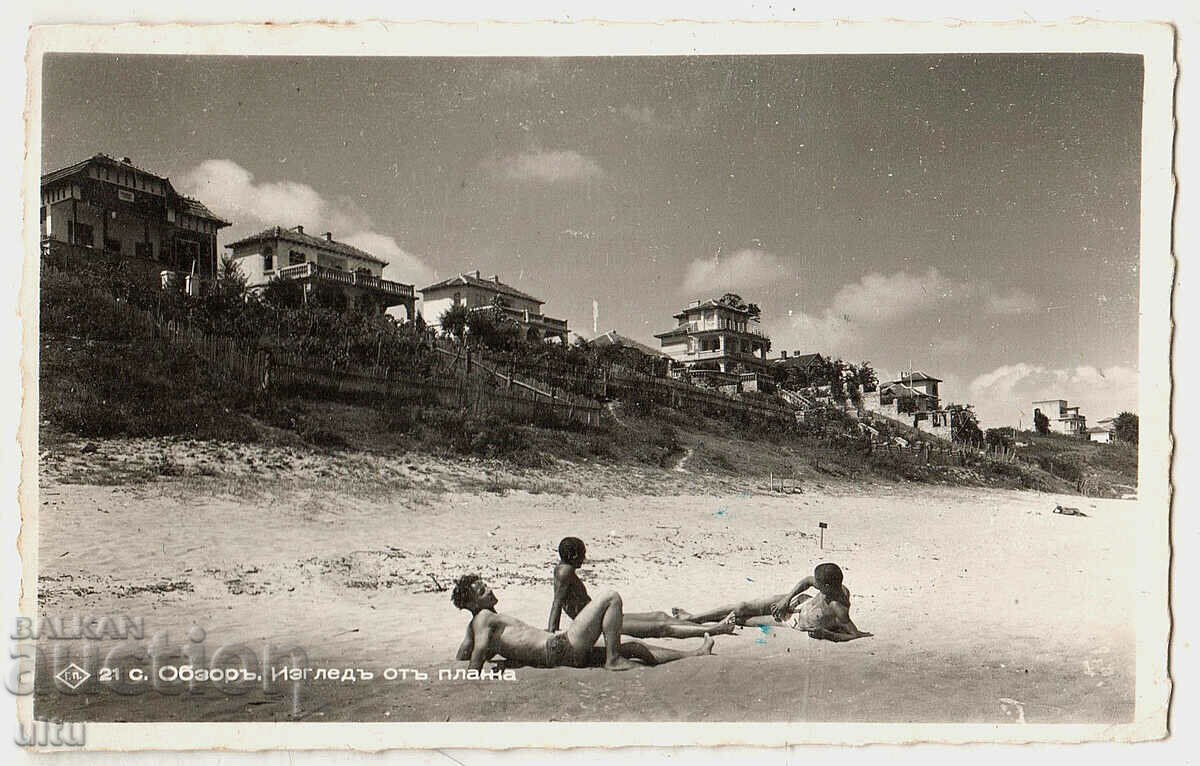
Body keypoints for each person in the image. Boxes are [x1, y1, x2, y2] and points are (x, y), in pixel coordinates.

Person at [452, 574, 717, 672]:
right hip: (558, 648)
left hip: (560, 652)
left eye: (485, 585)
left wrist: (473, 645)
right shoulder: (484, 619)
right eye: (481, 591)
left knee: (634, 647)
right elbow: (476, 654)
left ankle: (694, 654)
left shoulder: (478, 621)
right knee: (610, 597)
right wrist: (474, 671)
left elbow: (464, 653)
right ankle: (613, 660)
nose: (488, 589)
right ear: (473, 604)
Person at [549, 537, 737, 638]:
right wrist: (551, 631)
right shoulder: (564, 572)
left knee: (659, 616)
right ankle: (716, 630)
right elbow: (557, 602)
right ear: (573, 556)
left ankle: (696, 623)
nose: (584, 558)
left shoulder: (563, 570)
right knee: (661, 627)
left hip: (600, 617)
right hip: (594, 624)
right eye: (582, 554)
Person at [672, 563, 871, 642]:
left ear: (827, 586)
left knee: (746, 620)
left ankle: (712, 625)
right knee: (742, 607)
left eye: (819, 584)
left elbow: (854, 634)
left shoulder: (839, 607)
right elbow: (806, 581)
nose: (815, 583)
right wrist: (786, 600)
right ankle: (693, 618)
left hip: (795, 622)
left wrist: (828, 635)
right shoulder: (829, 585)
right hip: (798, 603)